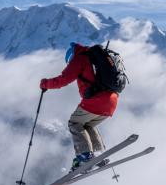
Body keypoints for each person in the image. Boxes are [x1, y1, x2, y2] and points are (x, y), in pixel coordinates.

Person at [40, 42, 119, 171]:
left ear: (71, 57)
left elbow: (63, 79)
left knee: (74, 123)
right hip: (112, 101)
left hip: (96, 101)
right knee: (87, 124)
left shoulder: (80, 58)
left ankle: (85, 156)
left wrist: (45, 84)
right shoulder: (96, 58)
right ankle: (99, 154)